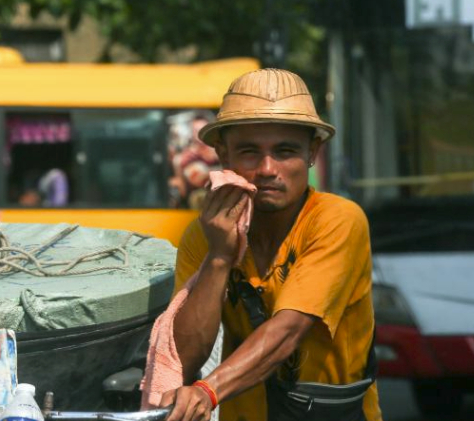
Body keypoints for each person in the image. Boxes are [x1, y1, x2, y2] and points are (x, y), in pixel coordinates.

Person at [159, 69, 381, 421]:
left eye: (285, 151)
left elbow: (287, 331)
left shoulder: (338, 220)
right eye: (249, 152)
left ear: (313, 152)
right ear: (223, 155)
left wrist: (206, 391)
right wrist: (219, 256)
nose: (266, 169)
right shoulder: (203, 235)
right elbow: (183, 359)